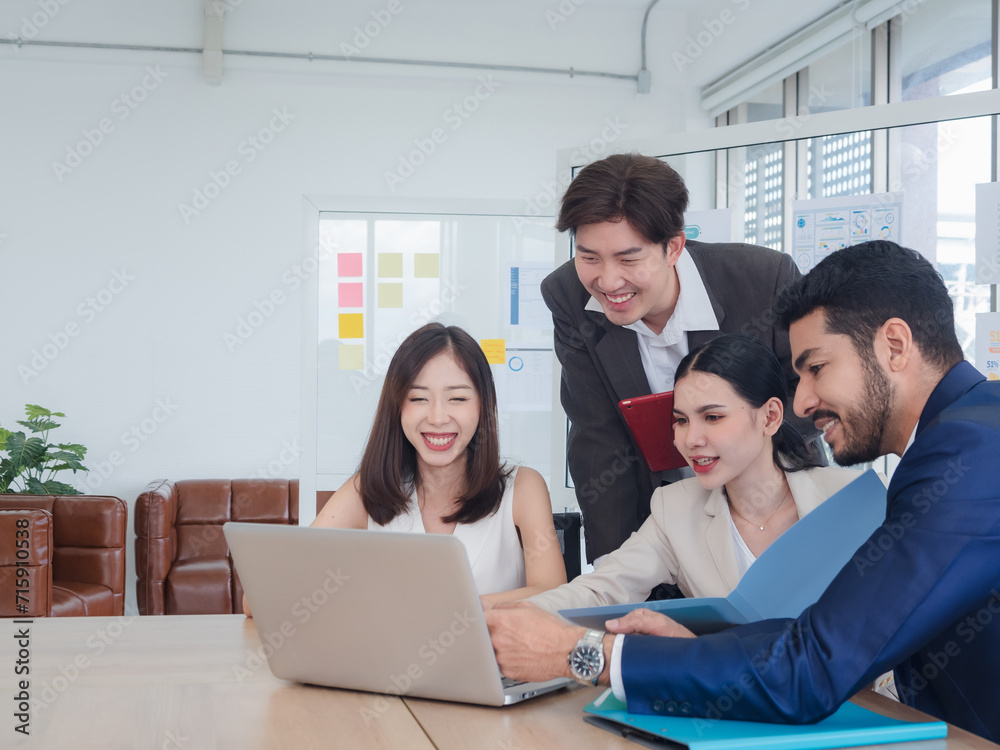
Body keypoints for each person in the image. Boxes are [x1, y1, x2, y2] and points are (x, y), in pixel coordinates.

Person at [486, 240, 1000, 741]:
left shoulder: (965, 452)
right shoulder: (969, 433)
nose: (804, 402)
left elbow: (814, 666)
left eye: (817, 368)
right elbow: (822, 638)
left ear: (894, 344)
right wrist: (699, 646)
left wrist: (586, 655)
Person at [543, 152, 814, 564]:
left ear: (673, 247)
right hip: (662, 517)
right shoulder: (568, 294)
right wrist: (614, 571)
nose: (608, 280)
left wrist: (737, 456)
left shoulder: (762, 279)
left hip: (774, 503)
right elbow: (598, 436)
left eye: (629, 259)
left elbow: (811, 393)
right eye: (589, 257)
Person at [522, 333, 858, 615]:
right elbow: (602, 590)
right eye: (681, 421)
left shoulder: (852, 499)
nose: (690, 440)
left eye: (712, 417)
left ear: (769, 417)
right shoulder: (676, 510)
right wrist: (500, 620)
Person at [247, 323, 566, 616]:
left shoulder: (522, 487)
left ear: (483, 406)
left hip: (498, 671)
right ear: (397, 408)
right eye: (418, 398)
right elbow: (260, 598)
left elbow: (553, 592)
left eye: (457, 398)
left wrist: (469, 607)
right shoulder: (367, 491)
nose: (438, 417)